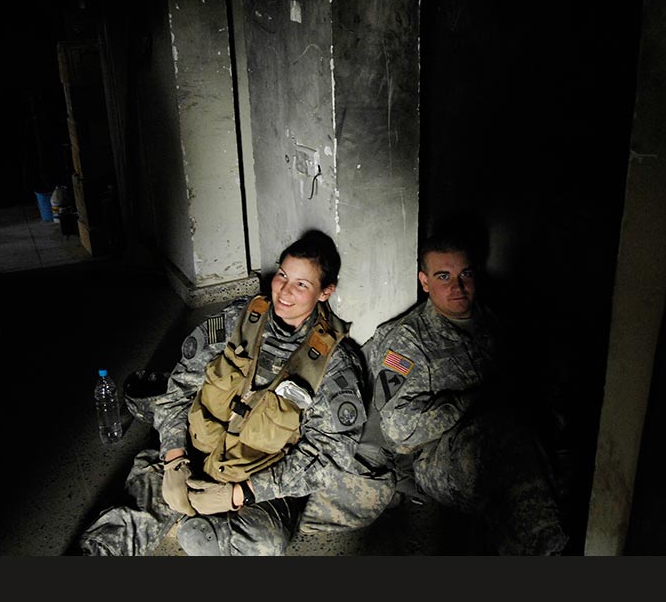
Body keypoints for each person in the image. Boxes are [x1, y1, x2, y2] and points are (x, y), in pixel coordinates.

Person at [80, 230, 375, 556]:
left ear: (325, 292)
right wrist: (175, 459)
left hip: (256, 483)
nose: (284, 291)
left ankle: (194, 524)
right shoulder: (238, 320)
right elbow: (178, 390)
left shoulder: (334, 365)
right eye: (282, 276)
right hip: (193, 456)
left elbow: (327, 456)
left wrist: (240, 494)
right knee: (112, 537)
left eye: (302, 284)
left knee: (256, 540)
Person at [362, 228, 570, 555]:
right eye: (443, 276)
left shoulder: (494, 321)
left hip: (505, 433)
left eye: (465, 274)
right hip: (437, 458)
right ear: (424, 281)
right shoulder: (406, 343)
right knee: (509, 453)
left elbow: (535, 381)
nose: (457, 287)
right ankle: (547, 547)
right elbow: (398, 430)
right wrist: (469, 402)